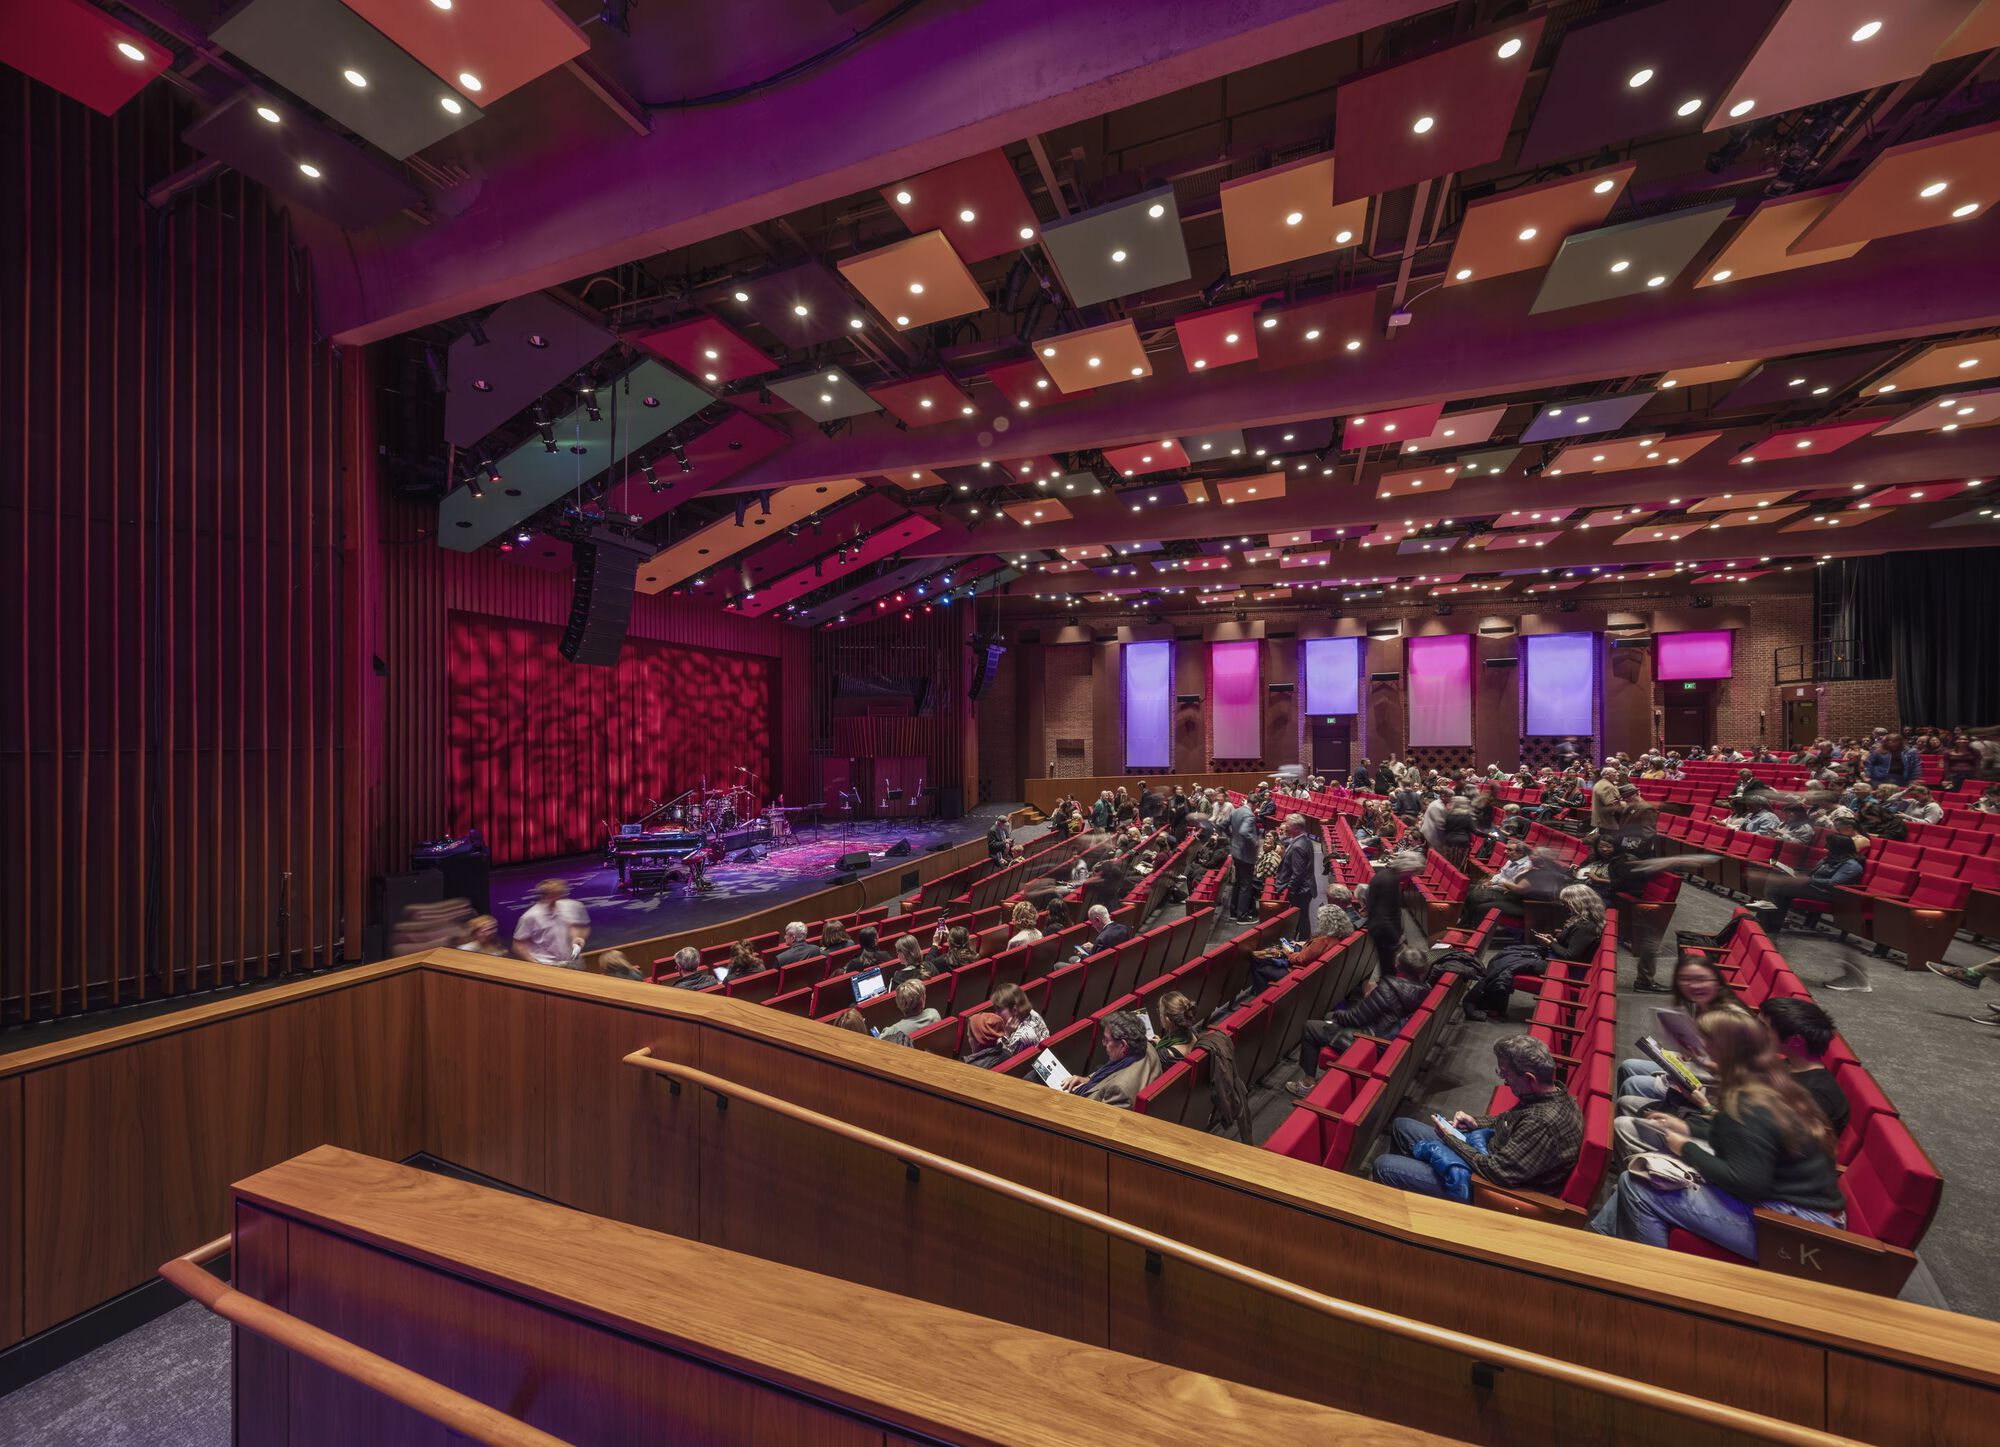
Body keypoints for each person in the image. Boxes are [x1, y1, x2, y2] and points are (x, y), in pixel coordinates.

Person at [1590, 1007, 1844, 1255]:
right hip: (1781, 1199)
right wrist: (1686, 1127)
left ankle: (1651, 1277)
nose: (1702, 1054)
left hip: (1795, 1226)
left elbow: (1746, 1183)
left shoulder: (1754, 1099)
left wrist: (1686, 1147)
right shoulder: (1762, 1084)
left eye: (1708, 1045)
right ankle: (1598, 1242)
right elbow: (1737, 1138)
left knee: (1638, 1188)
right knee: (1647, 1175)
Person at [1371, 1036, 1583, 1199]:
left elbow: (1498, 1172)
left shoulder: (1541, 1123)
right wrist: (1475, 1122)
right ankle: (1415, 1194)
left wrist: (1450, 1139)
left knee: (1385, 1166)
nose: (1504, 1081)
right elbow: (1506, 1121)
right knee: (1402, 1126)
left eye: (1506, 1074)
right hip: (1487, 1155)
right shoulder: (1547, 1095)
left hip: (1488, 1189)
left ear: (1529, 1079)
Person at [1288, 943, 1431, 1095]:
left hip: (1369, 1042)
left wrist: (1337, 1015)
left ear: (1398, 966)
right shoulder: (1424, 990)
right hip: (1387, 1037)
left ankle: (1307, 1083)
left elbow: (1354, 1018)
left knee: (1310, 1027)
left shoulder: (1388, 989)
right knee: (1330, 1017)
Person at [1760, 996, 1850, 1137]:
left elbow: (1782, 1138)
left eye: (1763, 1028)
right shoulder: (1788, 1065)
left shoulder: (1817, 1095)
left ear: (1796, 1041)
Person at [1750, 823, 1866, 929]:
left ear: (1838, 848)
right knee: (1778, 885)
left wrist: (1808, 880)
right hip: (1814, 887)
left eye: (1830, 846)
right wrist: (1796, 874)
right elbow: (1813, 873)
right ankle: (1769, 922)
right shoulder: (1829, 858)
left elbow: (1833, 883)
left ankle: (1768, 924)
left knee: (1779, 890)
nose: (1826, 848)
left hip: (1829, 893)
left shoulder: (1851, 865)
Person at [1065, 1011, 1162, 1107]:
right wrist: (1088, 1079)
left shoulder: (1119, 1091)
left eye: (1106, 1040)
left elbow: (1095, 1115)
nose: (1103, 1043)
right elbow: (1111, 1072)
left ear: (1123, 1045)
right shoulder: (1146, 1046)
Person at [962, 982, 1049, 1063]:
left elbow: (1001, 1061)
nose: (996, 1014)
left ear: (1014, 1010)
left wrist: (1006, 1034)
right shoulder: (1033, 1014)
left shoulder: (1020, 1038)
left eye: (999, 1009)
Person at [513, 879, 589, 966]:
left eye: (562, 894)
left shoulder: (572, 906)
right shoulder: (530, 916)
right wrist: (534, 963)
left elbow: (578, 926)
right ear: (547, 896)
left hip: (572, 961)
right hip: (546, 964)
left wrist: (577, 937)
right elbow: (519, 944)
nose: (561, 899)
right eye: (557, 895)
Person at [1271, 813, 1318, 938]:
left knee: (1302, 918)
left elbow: (1298, 873)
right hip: (1305, 888)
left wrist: (1290, 890)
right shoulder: (1304, 840)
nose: (1285, 826)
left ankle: (1303, 941)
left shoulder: (1298, 846)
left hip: (1301, 890)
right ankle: (1300, 939)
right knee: (1301, 917)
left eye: (1288, 825)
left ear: (1296, 828)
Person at [1361, 859, 1407, 981]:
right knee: (1388, 967)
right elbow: (1384, 914)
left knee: (1388, 966)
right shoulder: (1389, 880)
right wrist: (1397, 936)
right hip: (1384, 930)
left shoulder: (1386, 876)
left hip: (1383, 928)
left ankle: (1387, 984)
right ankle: (1387, 985)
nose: (1412, 877)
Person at [1466, 839, 1534, 919]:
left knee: (1474, 896)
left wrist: (1492, 887)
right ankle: (1465, 920)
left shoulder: (1526, 866)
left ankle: (1471, 922)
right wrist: (1491, 882)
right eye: (1506, 849)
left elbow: (1510, 885)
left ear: (1520, 853)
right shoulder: (1511, 860)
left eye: (1509, 850)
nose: (1505, 851)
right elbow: (1501, 875)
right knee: (1467, 889)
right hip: (1498, 888)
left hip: (1508, 894)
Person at [1225, 796, 1261, 921]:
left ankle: (1234, 912)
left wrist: (1232, 837)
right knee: (1246, 885)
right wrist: (1255, 842)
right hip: (1245, 855)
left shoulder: (1236, 811)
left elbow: (1222, 824)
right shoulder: (1250, 815)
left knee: (1238, 882)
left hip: (1236, 852)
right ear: (1256, 804)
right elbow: (1244, 831)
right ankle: (1242, 916)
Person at [877, 978, 940, 1045]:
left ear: (899, 1004)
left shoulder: (893, 1032)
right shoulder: (934, 1014)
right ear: (922, 1001)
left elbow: (877, 1043)